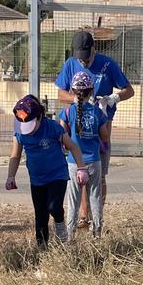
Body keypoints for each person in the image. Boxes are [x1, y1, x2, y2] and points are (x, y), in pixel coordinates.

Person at [55, 30, 134, 227]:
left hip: (101, 126)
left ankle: (97, 216)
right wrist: (78, 99)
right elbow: (60, 94)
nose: (82, 61)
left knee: (99, 173)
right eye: (79, 57)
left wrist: (113, 98)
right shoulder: (70, 64)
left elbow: (129, 90)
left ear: (93, 49)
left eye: (86, 56)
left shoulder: (107, 64)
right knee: (80, 170)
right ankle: (84, 215)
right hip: (78, 129)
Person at [6, 94, 90, 248]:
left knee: (54, 207)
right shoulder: (19, 132)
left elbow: (72, 146)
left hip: (57, 175)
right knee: (40, 215)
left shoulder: (52, 127)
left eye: (30, 124)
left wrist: (81, 168)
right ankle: (42, 247)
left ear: (39, 117)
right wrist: (11, 176)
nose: (27, 130)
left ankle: (60, 227)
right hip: (37, 179)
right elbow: (15, 155)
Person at [58, 71, 109, 238]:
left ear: (72, 91)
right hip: (94, 161)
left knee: (73, 201)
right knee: (95, 198)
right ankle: (97, 234)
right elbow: (105, 137)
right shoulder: (98, 113)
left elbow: (62, 135)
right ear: (91, 91)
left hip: (74, 163)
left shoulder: (67, 112)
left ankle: (70, 236)